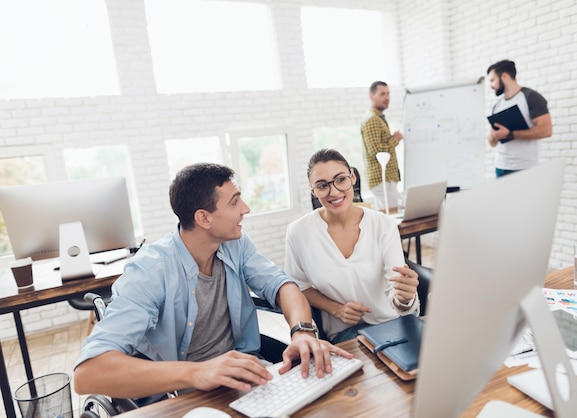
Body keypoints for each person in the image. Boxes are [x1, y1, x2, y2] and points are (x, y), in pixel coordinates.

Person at [73, 163, 351, 402]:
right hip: (178, 395)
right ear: (203, 218)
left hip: (243, 378)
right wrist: (199, 371)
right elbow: (88, 374)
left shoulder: (235, 245)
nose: (246, 208)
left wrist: (302, 331)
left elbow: (282, 285)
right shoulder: (150, 272)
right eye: (234, 202)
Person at [284, 149, 420, 343]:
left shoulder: (384, 225)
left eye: (341, 180)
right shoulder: (298, 232)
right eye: (322, 186)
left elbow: (399, 298)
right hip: (345, 332)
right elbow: (298, 286)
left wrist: (405, 298)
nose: (334, 192)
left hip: (392, 323)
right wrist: (336, 309)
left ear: (352, 178)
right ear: (313, 190)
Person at [487, 59, 552, 177]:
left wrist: (510, 134)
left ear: (504, 76)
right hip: (500, 167)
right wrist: (494, 136)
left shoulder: (531, 97)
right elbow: (492, 143)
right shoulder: (498, 105)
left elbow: (546, 130)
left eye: (492, 80)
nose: (491, 85)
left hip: (524, 168)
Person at [361, 80, 403, 210]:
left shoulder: (378, 118)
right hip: (382, 179)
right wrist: (395, 139)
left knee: (387, 217)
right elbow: (376, 150)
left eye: (388, 94)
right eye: (382, 94)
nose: (387, 98)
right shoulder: (372, 119)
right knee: (392, 217)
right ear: (372, 96)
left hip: (386, 179)